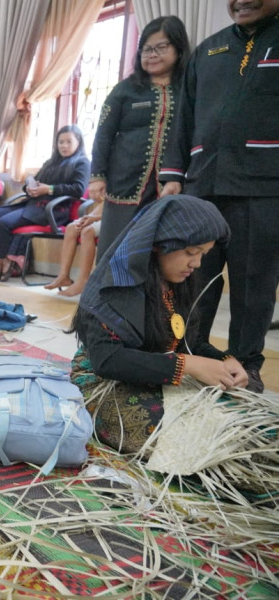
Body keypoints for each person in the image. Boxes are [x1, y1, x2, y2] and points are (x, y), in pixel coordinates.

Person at [159, 0, 279, 394]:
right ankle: (192, 353)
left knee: (253, 282)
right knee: (192, 279)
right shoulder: (207, 50)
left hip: (264, 185)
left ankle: (246, 364)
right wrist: (174, 174)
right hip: (203, 186)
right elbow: (185, 116)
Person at [70, 195, 247, 454]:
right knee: (174, 435)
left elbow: (187, 341)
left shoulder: (176, 283)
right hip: (103, 381)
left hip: (158, 373)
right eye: (190, 252)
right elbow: (107, 360)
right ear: (158, 244)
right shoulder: (112, 289)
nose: (196, 263)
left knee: (237, 421)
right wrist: (186, 365)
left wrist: (225, 361)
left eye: (203, 254)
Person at [90, 16, 190, 259]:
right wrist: (97, 176)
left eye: (161, 47)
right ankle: (107, 297)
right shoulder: (125, 90)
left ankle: (155, 298)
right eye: (146, 49)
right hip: (125, 183)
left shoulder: (189, 88)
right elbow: (103, 134)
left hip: (173, 186)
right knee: (116, 250)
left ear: (178, 49)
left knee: (162, 253)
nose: (151, 55)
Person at [0, 124, 90, 282]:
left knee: (3, 223)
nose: (64, 146)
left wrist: (49, 189)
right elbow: (36, 182)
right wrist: (29, 188)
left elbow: (78, 189)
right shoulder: (51, 162)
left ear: (78, 142)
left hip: (53, 210)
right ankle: (4, 259)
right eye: (61, 142)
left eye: (68, 142)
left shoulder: (82, 163)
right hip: (33, 204)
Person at [44, 202, 102, 296]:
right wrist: (89, 217)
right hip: (104, 213)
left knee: (87, 232)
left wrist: (96, 218)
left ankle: (83, 281)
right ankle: (63, 276)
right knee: (71, 227)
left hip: (119, 216)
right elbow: (104, 202)